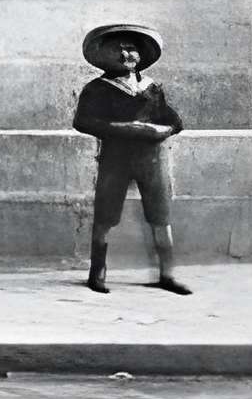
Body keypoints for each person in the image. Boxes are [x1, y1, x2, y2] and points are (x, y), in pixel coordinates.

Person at [73, 22, 192, 295]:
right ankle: (98, 273)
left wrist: (161, 130)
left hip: (153, 160)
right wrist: (129, 129)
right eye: (120, 49)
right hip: (116, 159)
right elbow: (83, 121)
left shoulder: (151, 88)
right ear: (105, 55)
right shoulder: (97, 88)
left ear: (141, 56)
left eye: (133, 50)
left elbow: (174, 121)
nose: (127, 55)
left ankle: (167, 274)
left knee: (160, 217)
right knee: (106, 214)